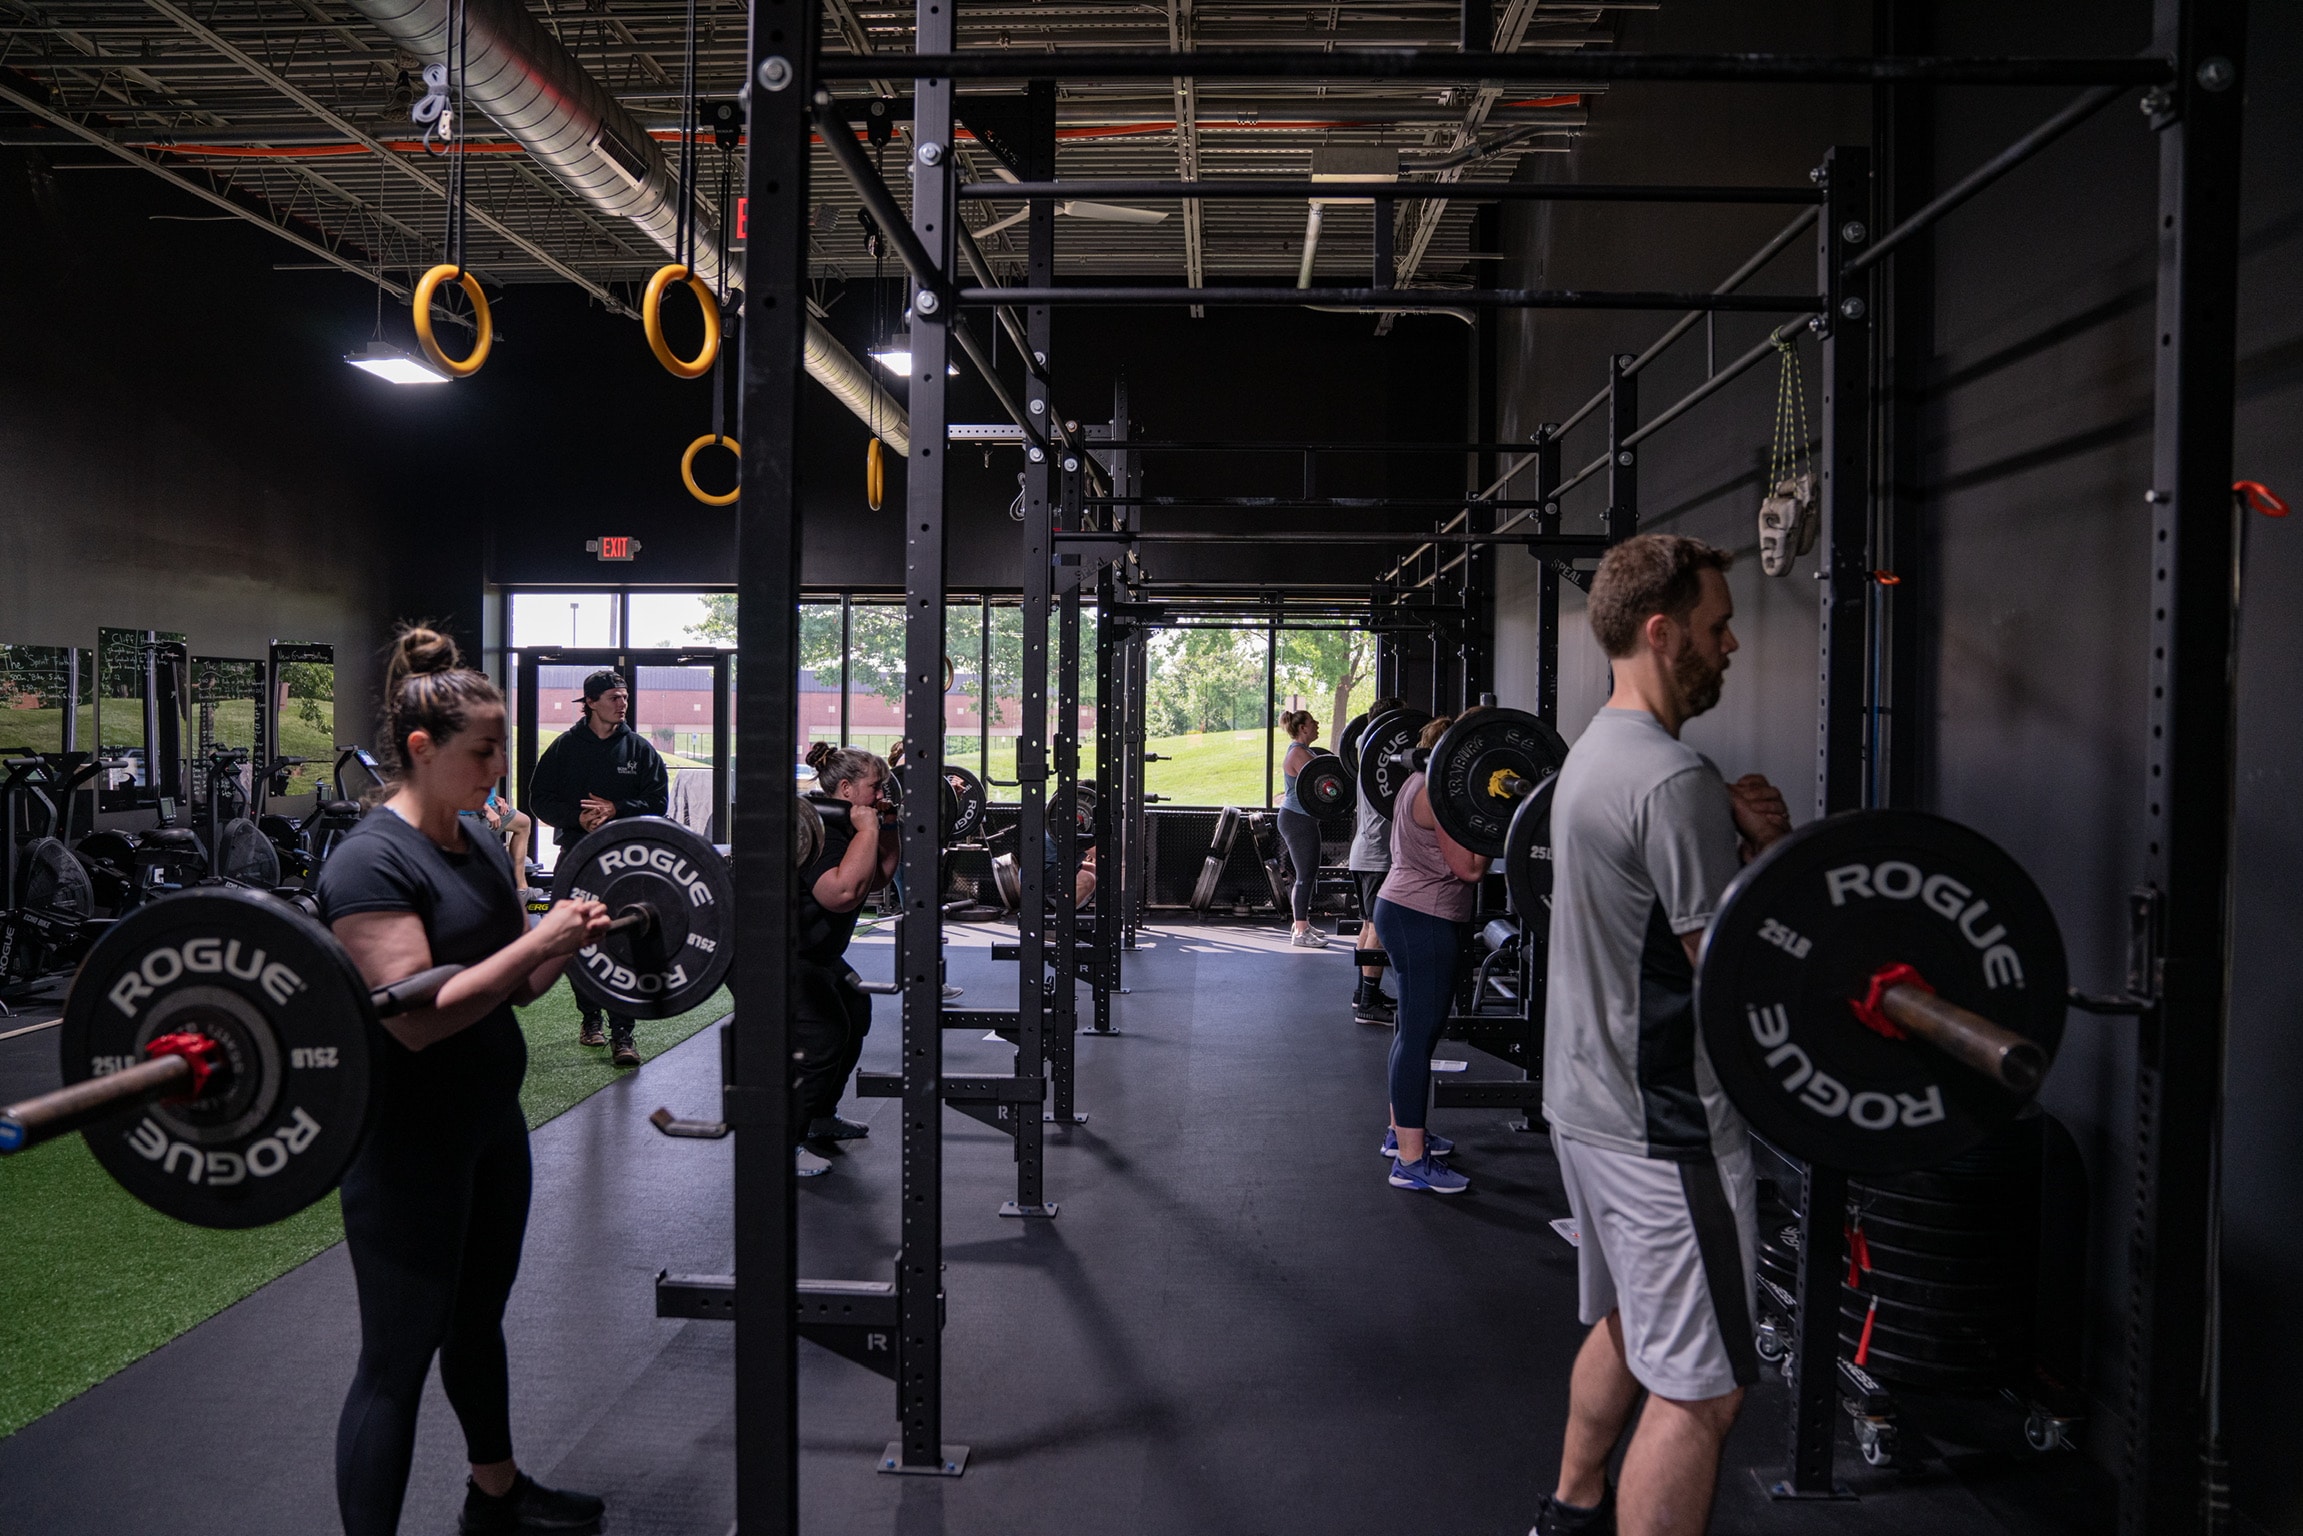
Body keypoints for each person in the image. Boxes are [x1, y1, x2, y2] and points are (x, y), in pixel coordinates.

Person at [319, 627, 613, 1536]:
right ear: (421, 749)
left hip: (489, 1125)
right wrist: (540, 939)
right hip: (408, 1141)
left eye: (499, 751)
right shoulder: (372, 860)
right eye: (481, 751)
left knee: (477, 1320)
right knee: (396, 1358)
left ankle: (496, 1496)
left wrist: (570, 938)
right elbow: (414, 1016)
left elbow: (514, 987)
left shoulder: (482, 846)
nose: (496, 767)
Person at [1532, 534, 1792, 1536]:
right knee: (1703, 1389)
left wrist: (1729, 839)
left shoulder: (1595, 753)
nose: (1727, 646)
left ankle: (1570, 1508)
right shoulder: (1674, 779)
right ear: (1659, 630)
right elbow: (1727, 975)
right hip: (1665, 1126)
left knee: (1633, 1325)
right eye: (1715, 626)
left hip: (1586, 1105)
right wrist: (1769, 855)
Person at [1370, 713, 1488, 1194]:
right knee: (1418, 1037)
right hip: (1424, 915)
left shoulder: (1417, 780)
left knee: (1411, 1031)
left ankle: (1403, 1135)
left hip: (1404, 908)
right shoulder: (1438, 793)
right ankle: (1411, 1163)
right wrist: (1491, 820)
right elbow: (1469, 869)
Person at [527, 668, 668, 1066]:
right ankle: (590, 1019)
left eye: (624, 697)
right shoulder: (564, 748)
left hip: (625, 858)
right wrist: (577, 818)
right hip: (577, 853)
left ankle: (623, 1033)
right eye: (613, 697)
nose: (622, 703)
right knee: (577, 938)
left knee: (621, 939)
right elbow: (540, 799)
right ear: (589, 702)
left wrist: (616, 809)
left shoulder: (639, 750)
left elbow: (657, 803)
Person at [795, 742, 900, 1176]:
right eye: (875, 788)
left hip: (815, 950)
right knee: (822, 1035)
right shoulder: (816, 828)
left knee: (855, 1008)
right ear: (845, 788)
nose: (881, 795)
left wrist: (885, 826)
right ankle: (781, 1142)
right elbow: (840, 894)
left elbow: (877, 877)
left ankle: (820, 1117)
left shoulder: (851, 826)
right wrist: (869, 831)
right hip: (772, 952)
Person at [1346, 694, 1410, 1024]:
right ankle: (1369, 1002)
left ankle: (1363, 993)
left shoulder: (1369, 754)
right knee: (1379, 928)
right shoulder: (1377, 756)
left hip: (1365, 852)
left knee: (1368, 924)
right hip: (1375, 855)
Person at [1274, 708, 1329, 948]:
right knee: (1305, 876)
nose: (1317, 724)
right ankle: (1300, 931)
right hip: (1297, 819)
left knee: (1308, 874)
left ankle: (1301, 923)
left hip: (1301, 818)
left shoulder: (1304, 751)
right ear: (1302, 728)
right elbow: (1326, 782)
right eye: (1312, 721)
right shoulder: (1298, 754)